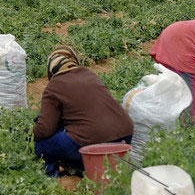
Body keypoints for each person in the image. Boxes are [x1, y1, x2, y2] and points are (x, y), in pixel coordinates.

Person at [33, 46, 134, 177]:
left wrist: (29, 135)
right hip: (125, 135)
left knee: (43, 146)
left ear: (51, 69)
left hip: (93, 140)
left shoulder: (54, 86)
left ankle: (55, 176)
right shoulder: (89, 74)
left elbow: (45, 129)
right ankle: (88, 167)